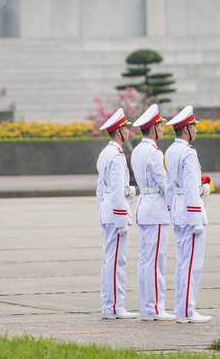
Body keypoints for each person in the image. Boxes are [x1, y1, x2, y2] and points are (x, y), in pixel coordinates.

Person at [164, 105, 212, 323]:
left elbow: (167, 186)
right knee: (192, 263)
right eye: (194, 126)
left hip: (178, 208)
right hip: (190, 211)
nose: (196, 130)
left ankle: (181, 309)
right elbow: (193, 186)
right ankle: (186, 311)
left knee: (183, 262)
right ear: (186, 129)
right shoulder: (188, 152)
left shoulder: (171, 150)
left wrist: (173, 209)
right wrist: (196, 218)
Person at [130, 104, 176, 321]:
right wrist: (175, 205)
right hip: (156, 209)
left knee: (146, 260)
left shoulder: (138, 150)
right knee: (156, 261)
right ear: (153, 129)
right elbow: (165, 184)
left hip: (143, 206)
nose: (163, 129)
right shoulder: (154, 153)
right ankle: (155, 308)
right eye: (160, 126)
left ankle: (147, 306)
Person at [96, 108, 138, 319]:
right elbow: (116, 190)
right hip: (115, 213)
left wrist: (101, 211)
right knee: (116, 261)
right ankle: (114, 307)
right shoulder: (118, 156)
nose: (129, 133)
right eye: (126, 129)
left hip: (107, 211)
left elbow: (100, 188)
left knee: (109, 259)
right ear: (118, 132)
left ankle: (109, 305)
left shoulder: (105, 152)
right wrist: (122, 218)